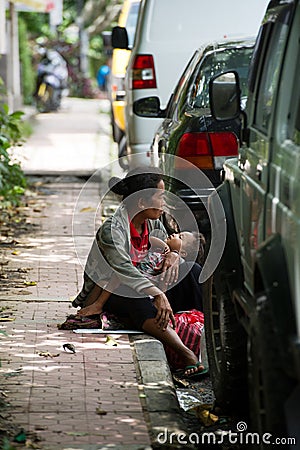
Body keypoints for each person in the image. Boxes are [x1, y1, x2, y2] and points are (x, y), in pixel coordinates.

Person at [73, 166, 205, 377]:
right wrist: (158, 294)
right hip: (107, 293)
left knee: (192, 271)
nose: (165, 203)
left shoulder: (153, 221)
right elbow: (125, 271)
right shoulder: (112, 230)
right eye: (160, 197)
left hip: (146, 280)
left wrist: (173, 256)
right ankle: (185, 353)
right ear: (142, 202)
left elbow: (165, 246)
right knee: (133, 293)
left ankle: (198, 331)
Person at [77, 230, 205, 317]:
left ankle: (97, 305)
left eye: (180, 237)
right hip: (135, 275)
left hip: (145, 284)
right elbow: (149, 239)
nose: (174, 234)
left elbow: (164, 283)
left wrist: (159, 299)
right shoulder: (160, 248)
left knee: (119, 277)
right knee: (108, 280)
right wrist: (164, 246)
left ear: (183, 254)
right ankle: (95, 306)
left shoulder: (171, 265)